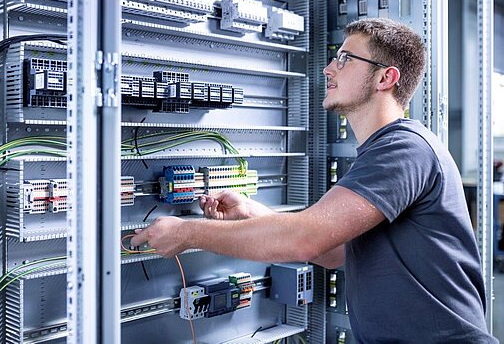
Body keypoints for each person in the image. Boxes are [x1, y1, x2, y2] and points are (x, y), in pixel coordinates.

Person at [131, 18, 498, 343]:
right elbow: (335, 252)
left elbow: (305, 239)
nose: (328, 70)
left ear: (386, 77)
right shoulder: (384, 152)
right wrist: (250, 211)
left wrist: (187, 234)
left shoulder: (403, 149)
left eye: (345, 59)